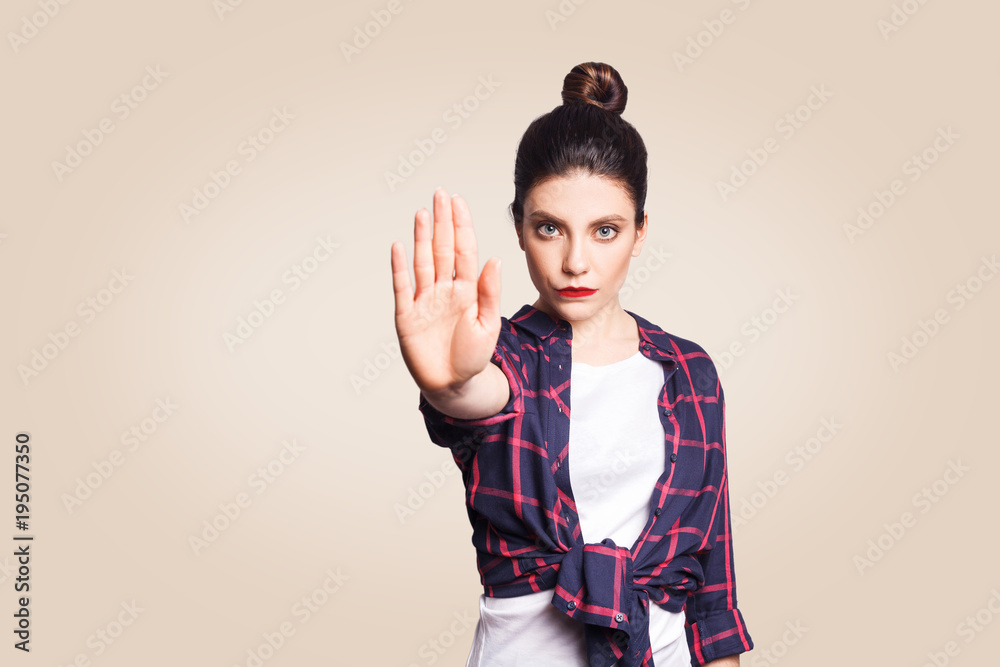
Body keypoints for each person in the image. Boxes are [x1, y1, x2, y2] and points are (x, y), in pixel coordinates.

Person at [390, 62, 753, 667]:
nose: (576, 261)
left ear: (640, 232)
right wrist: (450, 383)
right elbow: (475, 401)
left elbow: (711, 578)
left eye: (605, 230)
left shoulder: (691, 373)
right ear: (520, 228)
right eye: (550, 228)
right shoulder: (499, 357)